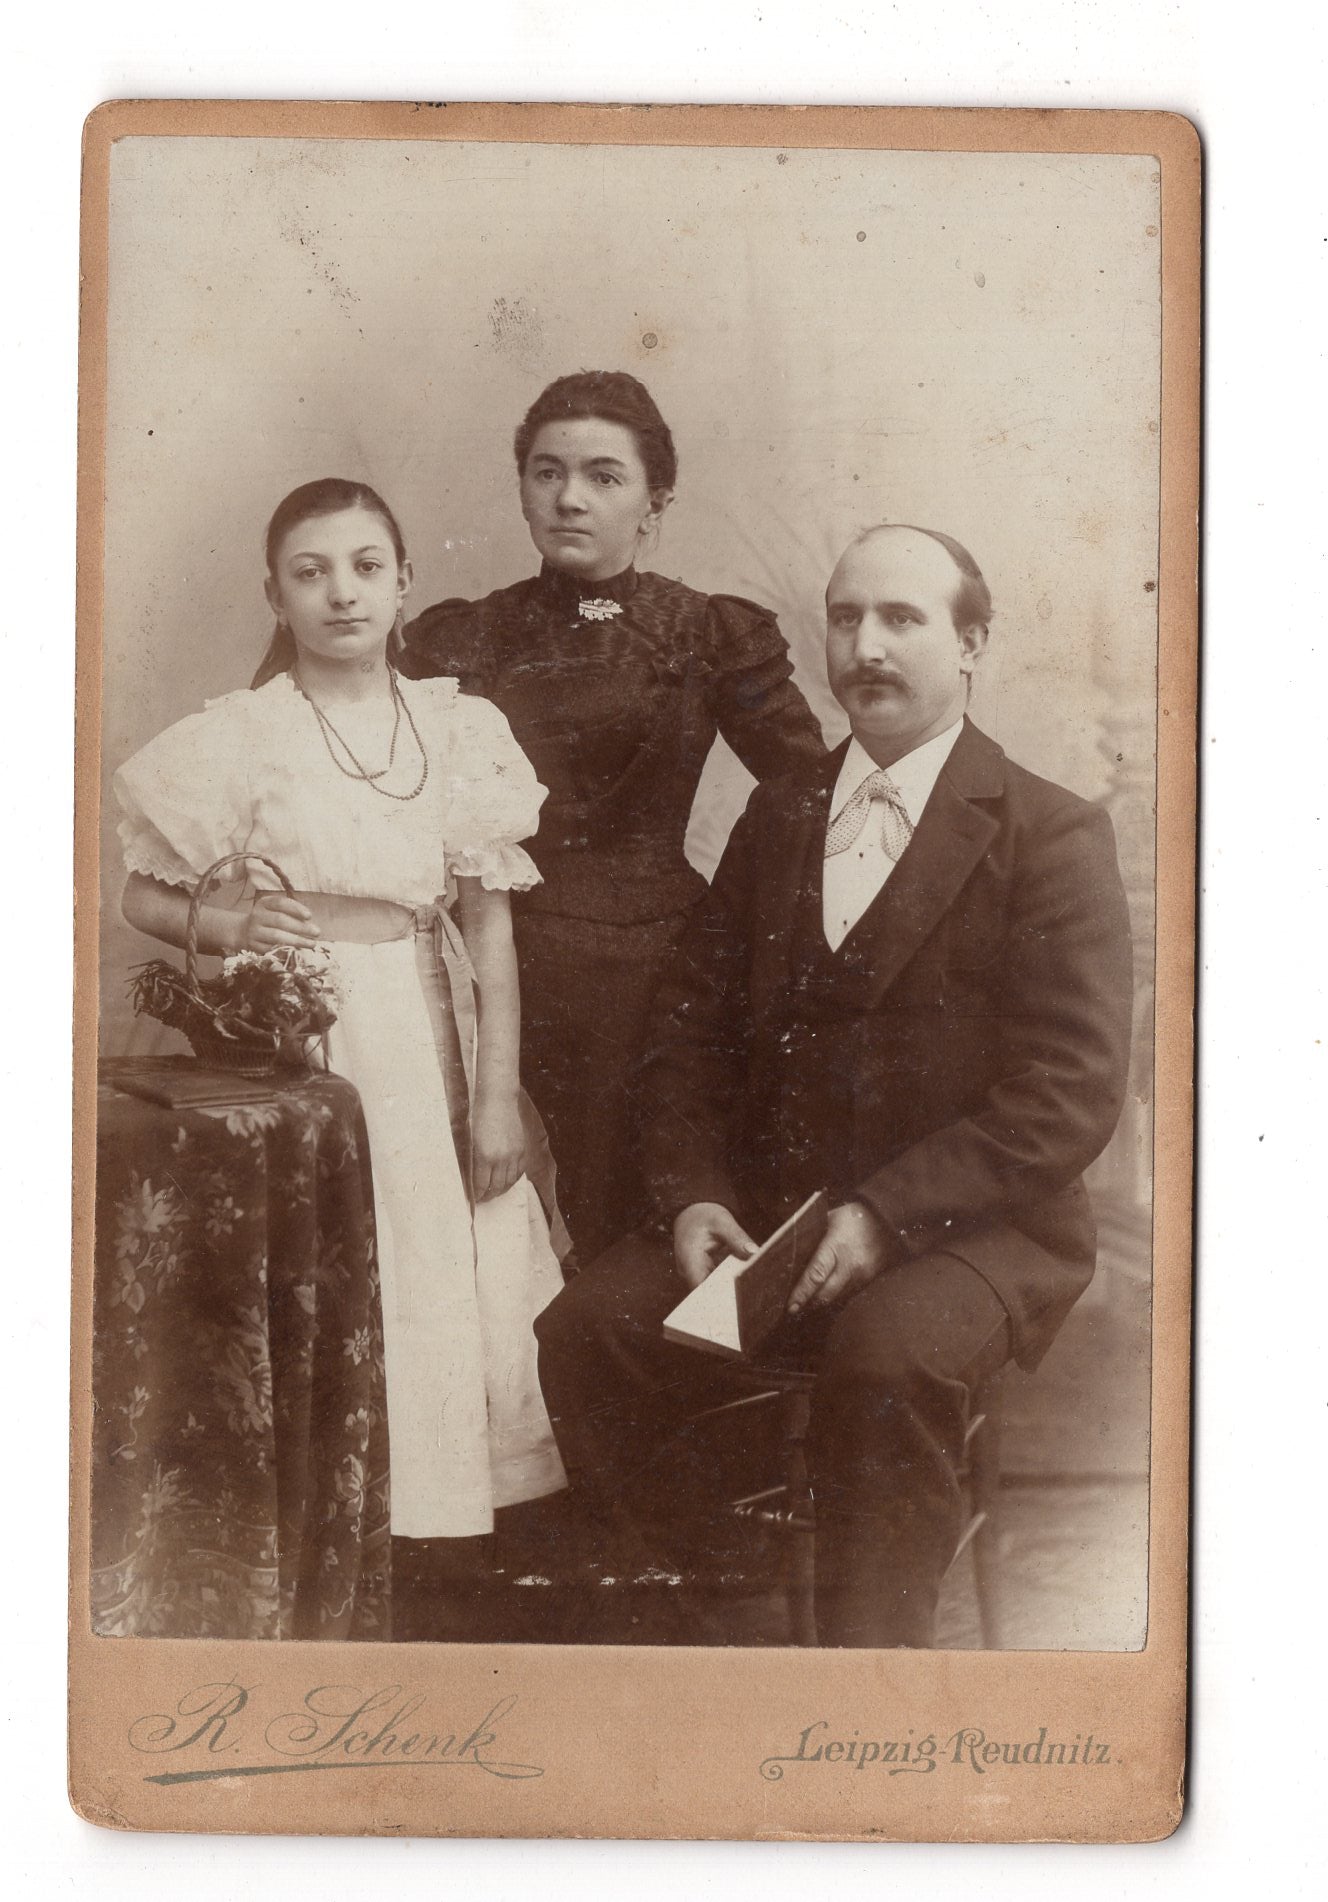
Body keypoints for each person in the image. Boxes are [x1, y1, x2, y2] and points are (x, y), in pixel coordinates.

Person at [534, 523, 1135, 1648]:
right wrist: (694, 1194)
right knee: (588, 1330)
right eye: (846, 618)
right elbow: (686, 1033)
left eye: (902, 618)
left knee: (883, 1359)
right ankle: (699, 1643)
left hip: (972, 1228)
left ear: (972, 644)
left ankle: (871, 1689)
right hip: (773, 1218)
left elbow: (1069, 1090)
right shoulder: (782, 811)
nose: (866, 647)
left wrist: (886, 1213)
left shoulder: (1050, 832)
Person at [113, 477, 570, 1640]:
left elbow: (489, 925)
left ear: (404, 583)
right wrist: (228, 926)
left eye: (367, 567)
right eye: (309, 572)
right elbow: (138, 896)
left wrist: (495, 1095)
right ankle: (339, 1522)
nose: (341, 593)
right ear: (274, 594)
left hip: (432, 1023)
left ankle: (444, 1526)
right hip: (305, 1043)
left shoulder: (458, 729)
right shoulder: (244, 734)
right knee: (344, 1262)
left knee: (447, 1260)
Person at [400, 371, 826, 1264]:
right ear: (523, 486)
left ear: (654, 500)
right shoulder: (467, 637)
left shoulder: (706, 632)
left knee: (633, 1227)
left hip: (654, 977)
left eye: (604, 476)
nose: (570, 499)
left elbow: (810, 797)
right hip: (493, 966)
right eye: (547, 472)